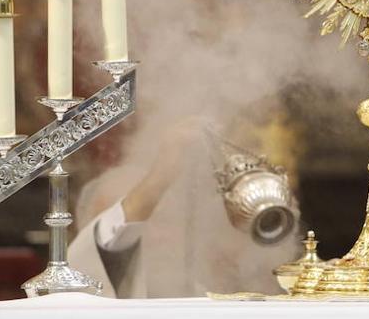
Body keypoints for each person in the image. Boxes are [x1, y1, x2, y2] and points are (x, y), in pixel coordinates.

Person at [68, 118, 297, 297]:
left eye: (166, 219)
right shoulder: (79, 287)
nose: (157, 236)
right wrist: (162, 174)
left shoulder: (209, 291)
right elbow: (102, 241)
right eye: (136, 222)